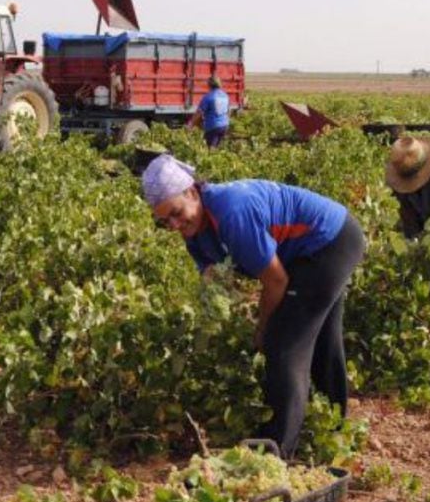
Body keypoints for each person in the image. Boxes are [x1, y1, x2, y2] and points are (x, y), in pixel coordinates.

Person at [142, 154, 365, 458]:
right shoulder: (193, 231)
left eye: (177, 213)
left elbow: (276, 281)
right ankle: (335, 430)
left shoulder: (233, 213)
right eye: (165, 221)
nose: (175, 224)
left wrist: (262, 327)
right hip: (304, 252)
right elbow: (215, 276)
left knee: (283, 345)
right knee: (321, 336)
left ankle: (277, 452)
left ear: (193, 192)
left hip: (330, 242)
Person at [187, 76, 230, 148]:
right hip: (224, 126)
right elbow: (228, 111)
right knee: (217, 147)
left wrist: (191, 124)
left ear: (209, 85)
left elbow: (199, 112)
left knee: (210, 148)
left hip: (213, 126)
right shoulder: (225, 95)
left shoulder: (209, 96)